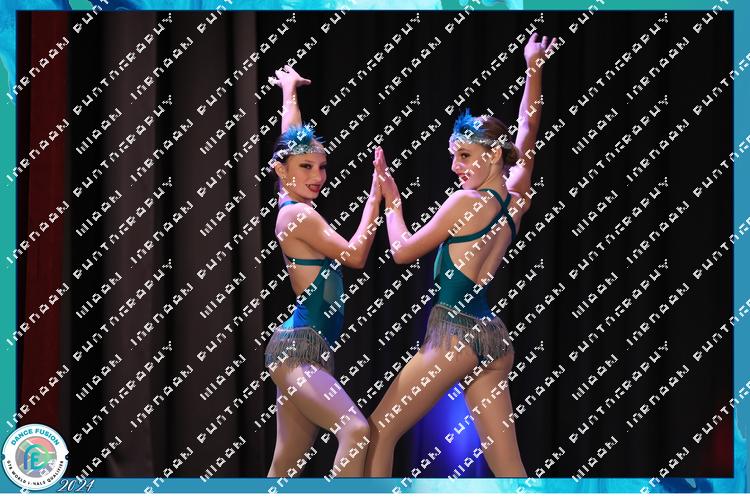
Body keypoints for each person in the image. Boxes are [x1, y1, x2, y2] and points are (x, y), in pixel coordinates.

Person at [364, 34, 557, 477]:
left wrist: (391, 199)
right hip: (492, 336)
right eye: (454, 157)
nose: (455, 167)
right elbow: (528, 129)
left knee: (378, 431)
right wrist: (534, 67)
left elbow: (401, 251)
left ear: (494, 155)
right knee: (510, 469)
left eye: (465, 156)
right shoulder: (514, 194)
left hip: (457, 333)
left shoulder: (464, 202)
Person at [263, 66, 382, 478]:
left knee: (284, 466)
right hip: (297, 352)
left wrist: (289, 91)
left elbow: (290, 139)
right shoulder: (298, 214)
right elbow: (356, 256)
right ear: (282, 171)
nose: (317, 177)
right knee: (356, 430)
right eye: (306, 167)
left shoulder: (292, 203)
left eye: (321, 167)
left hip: (308, 349)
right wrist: (375, 200)